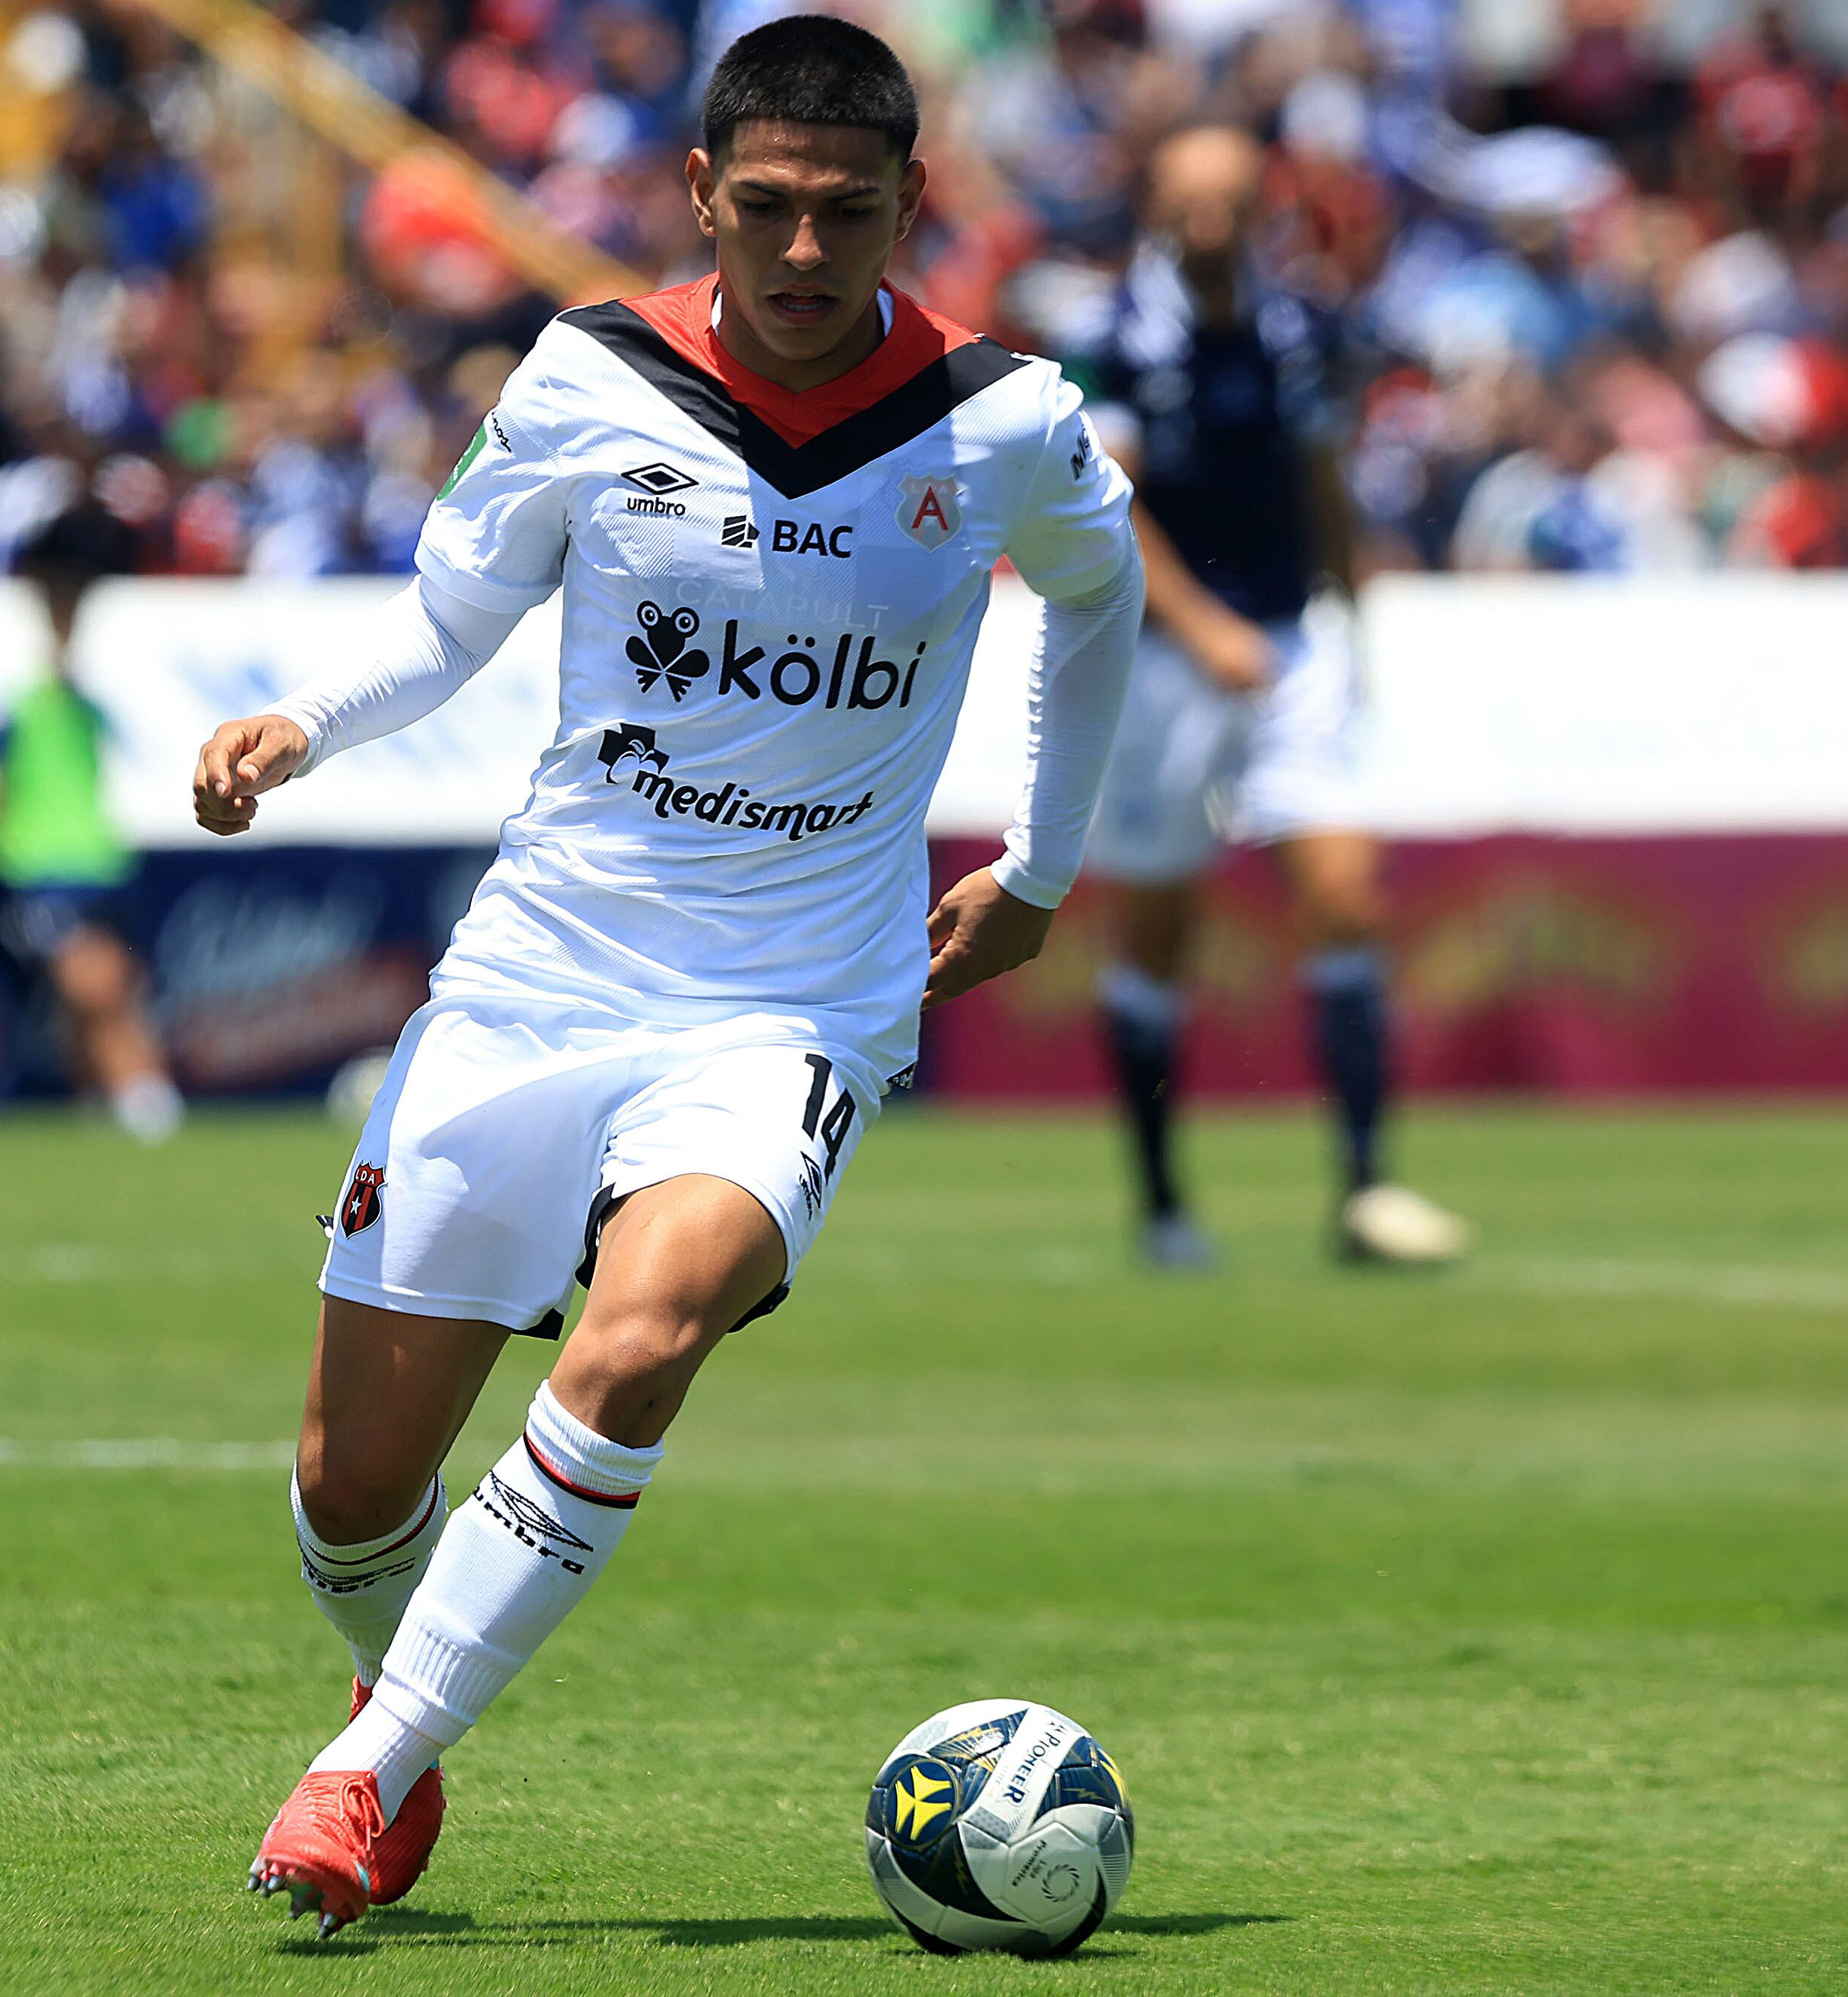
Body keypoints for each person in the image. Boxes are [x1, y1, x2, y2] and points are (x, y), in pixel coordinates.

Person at [189, 16, 1143, 1938]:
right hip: (536, 981)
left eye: (846, 214)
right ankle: (396, 1700)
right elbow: (448, 620)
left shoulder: (1000, 420)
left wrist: (1038, 870)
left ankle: (362, 1773)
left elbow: (1097, 598)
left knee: (639, 1339)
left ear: (909, 206)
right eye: (767, 206)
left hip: (792, 1010)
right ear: (700, 192)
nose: (803, 250)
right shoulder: (586, 378)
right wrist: (302, 727)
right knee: (350, 1489)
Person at [1075, 123, 1470, 1271]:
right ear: (1157, 209)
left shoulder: (1299, 324)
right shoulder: (1112, 335)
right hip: (1162, 657)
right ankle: (1163, 1204)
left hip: (1293, 645)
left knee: (1345, 894)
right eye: (1190, 204)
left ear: (1262, 210)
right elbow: (1108, 506)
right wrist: (1205, 627)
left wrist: (1354, 612)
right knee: (1159, 930)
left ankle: (1367, 1185)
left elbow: (1319, 474)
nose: (1211, 226)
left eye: (1232, 204)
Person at [0, 503, 183, 1143]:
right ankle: (138, 1102)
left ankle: (133, 1102)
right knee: (93, 987)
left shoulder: (96, 680)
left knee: (104, 991)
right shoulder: (12, 682)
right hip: (46, 863)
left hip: (93, 859)